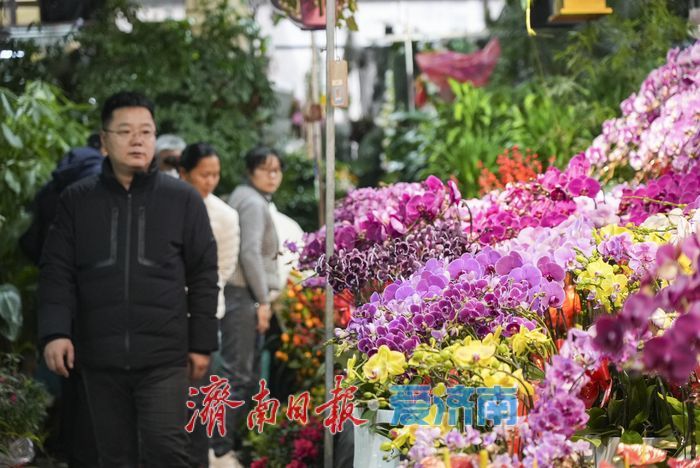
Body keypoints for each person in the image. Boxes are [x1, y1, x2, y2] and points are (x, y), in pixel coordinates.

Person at [38, 91, 219, 467]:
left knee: (167, 451)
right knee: (112, 457)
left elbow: (203, 273)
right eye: (125, 131)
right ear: (104, 141)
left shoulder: (183, 199)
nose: (137, 140)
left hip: (165, 358)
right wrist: (55, 332)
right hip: (98, 357)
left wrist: (202, 343)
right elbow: (57, 271)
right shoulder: (76, 200)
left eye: (146, 132)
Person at [211, 146, 283, 465]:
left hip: (239, 294)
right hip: (244, 295)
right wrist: (264, 300)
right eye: (266, 169)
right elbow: (250, 253)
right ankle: (221, 447)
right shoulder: (252, 202)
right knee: (238, 375)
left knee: (241, 375)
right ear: (251, 172)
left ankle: (230, 443)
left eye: (277, 170)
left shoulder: (242, 195)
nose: (273, 176)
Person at [179, 142, 240, 468]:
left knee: (197, 394)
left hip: (203, 312)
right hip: (165, 311)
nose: (210, 181)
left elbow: (224, 270)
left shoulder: (225, 216)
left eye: (215, 175)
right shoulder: (166, 206)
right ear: (183, 173)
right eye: (204, 174)